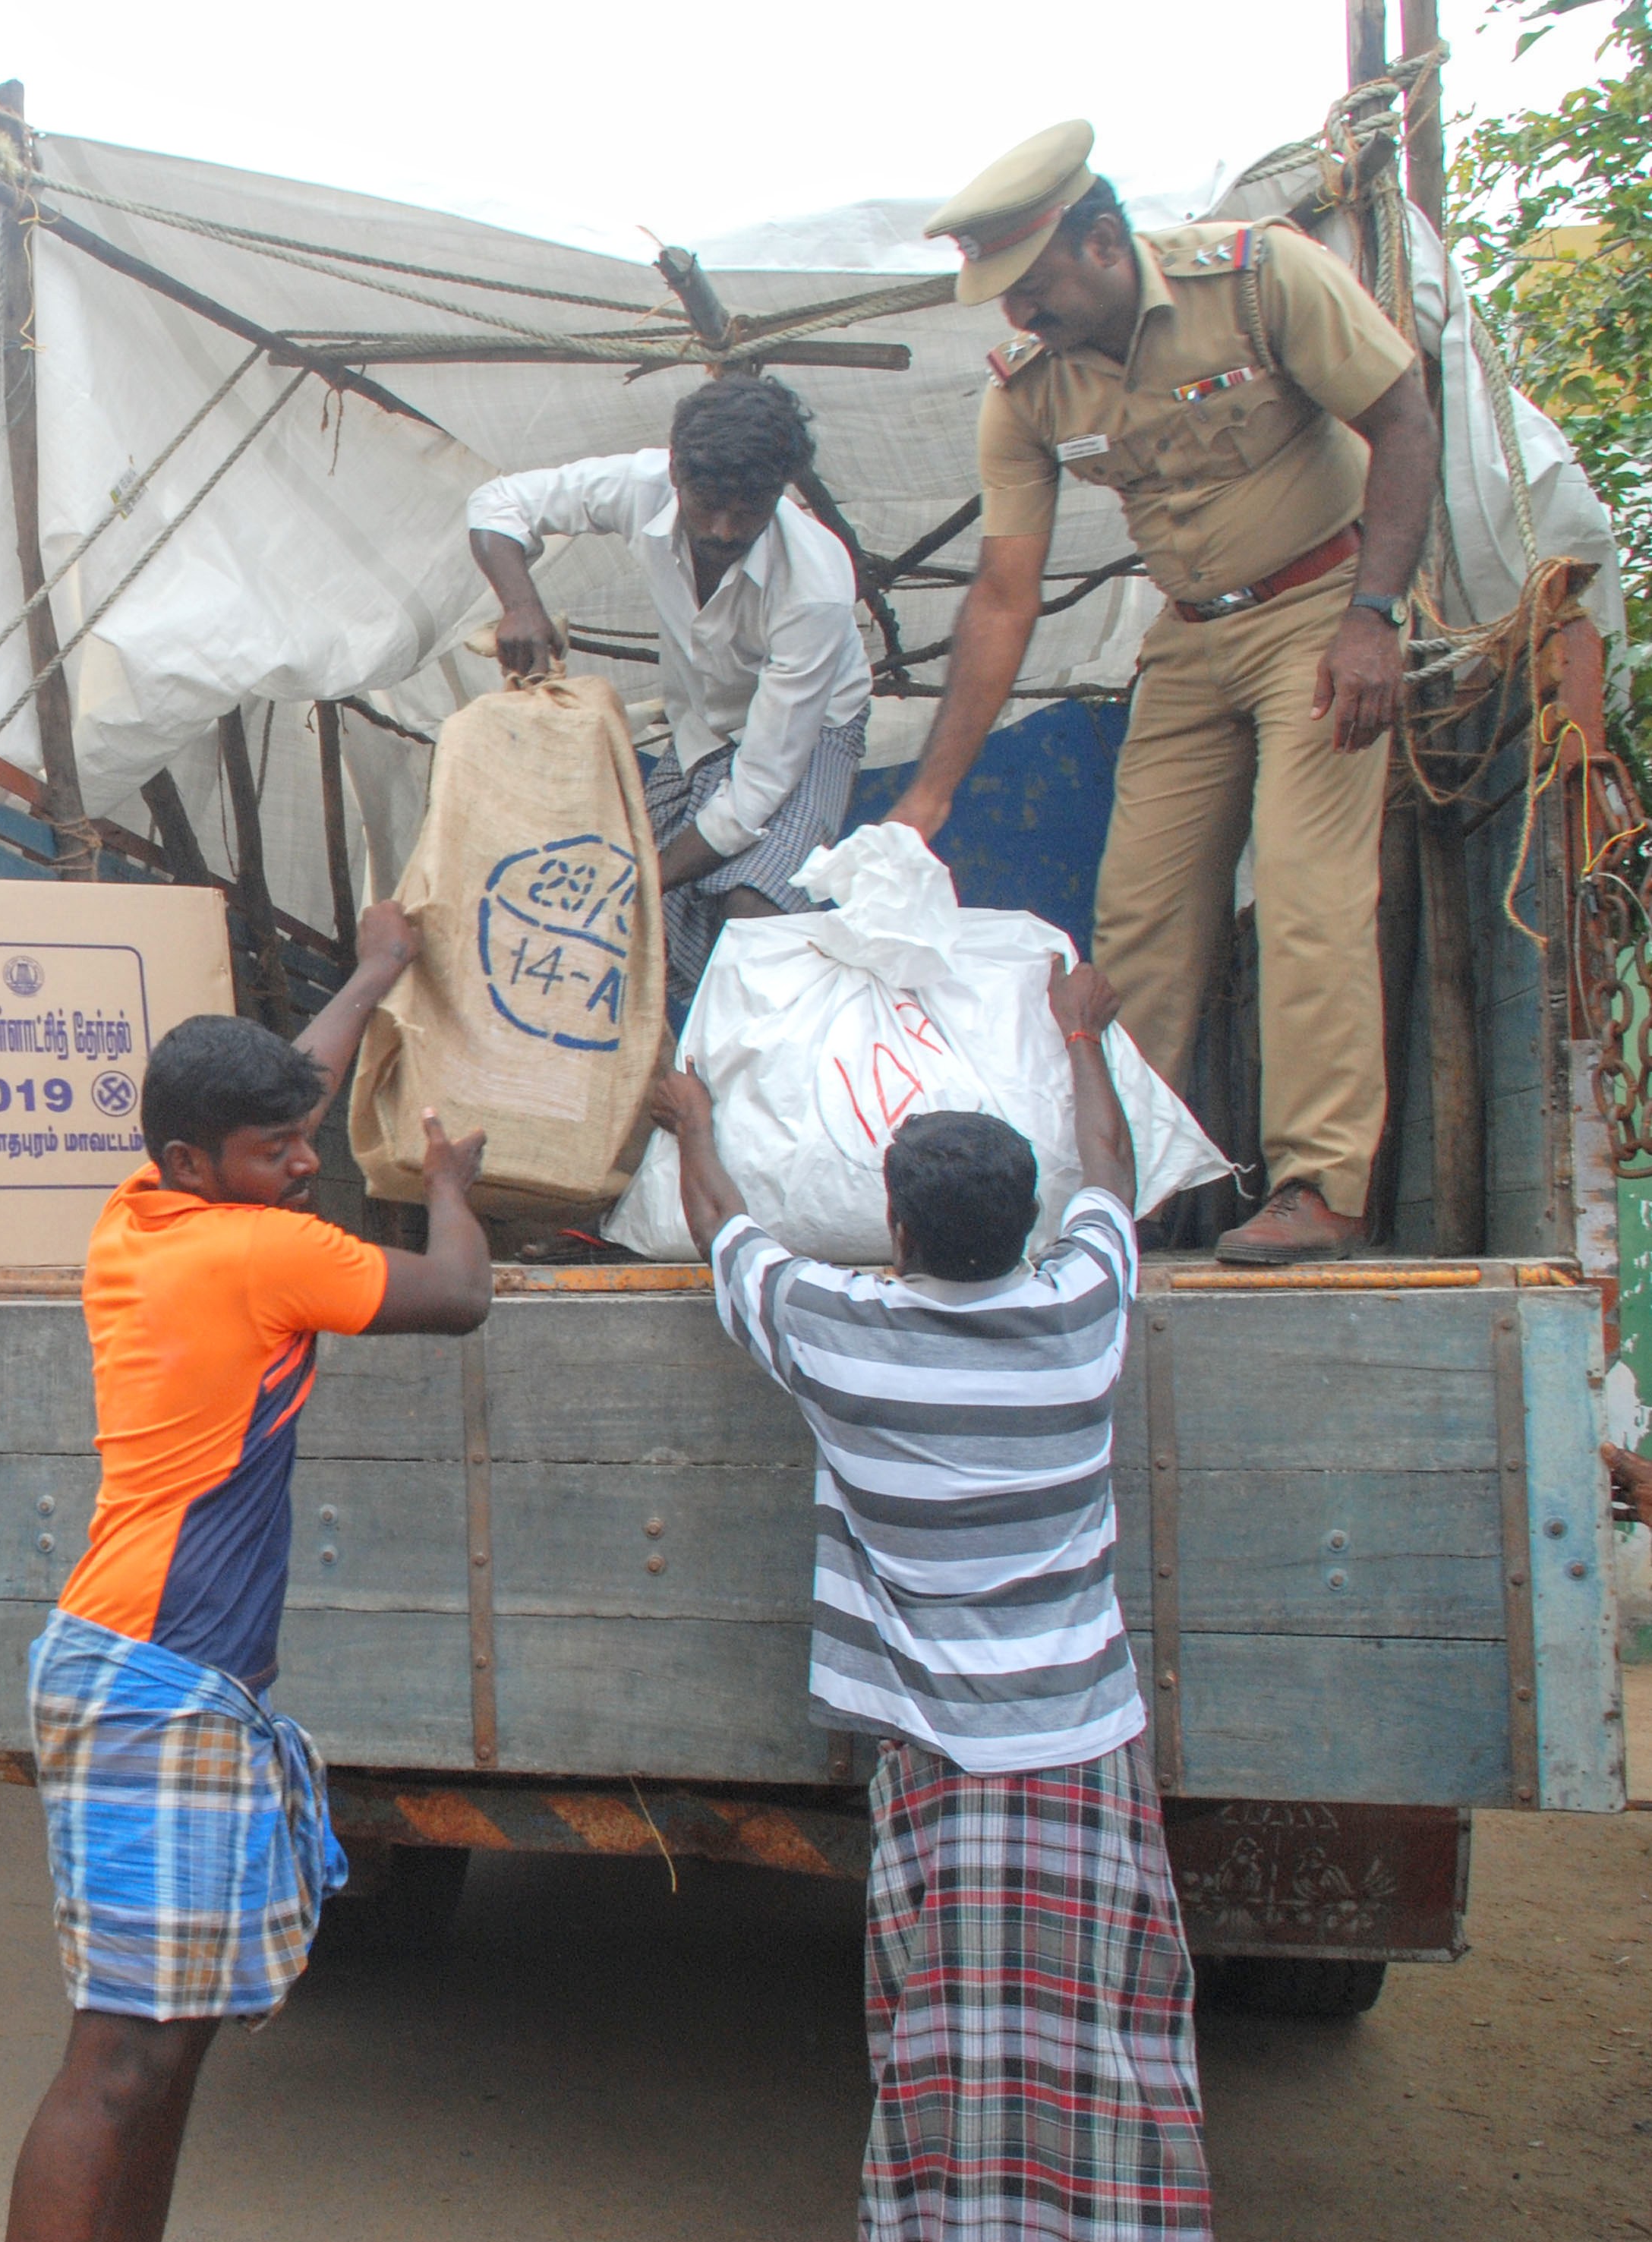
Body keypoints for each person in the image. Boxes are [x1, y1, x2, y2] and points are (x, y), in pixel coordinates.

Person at [647, 957, 1212, 2239]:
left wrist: (691, 1116)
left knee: (947, 2037)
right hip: (1089, 1759)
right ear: (1033, 1223)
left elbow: (725, 1229)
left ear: (894, 1229)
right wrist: (1080, 1034)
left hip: (946, 1768)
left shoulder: (842, 1332)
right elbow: (1114, 1177)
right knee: (1108, 2029)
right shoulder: (1084, 1315)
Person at [4, 900, 496, 2242]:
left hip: (168, 1675)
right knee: (121, 2058)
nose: (299, 1162)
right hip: (154, 1682)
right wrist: (451, 1186)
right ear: (191, 1156)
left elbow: (299, 1083)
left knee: (177, 2045)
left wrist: (380, 965)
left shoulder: (144, 1211)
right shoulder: (259, 1250)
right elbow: (459, 1295)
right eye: (272, 1150)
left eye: (300, 1140)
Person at [884, 120, 1438, 1266]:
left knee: (1304, 892)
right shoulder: (1028, 394)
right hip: (1188, 640)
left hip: (1321, 612)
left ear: (1099, 241)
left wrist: (1374, 617)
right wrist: (929, 796)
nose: (1020, 320)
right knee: (1135, 926)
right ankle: (1113, 1188)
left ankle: (1321, 1188)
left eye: (1032, 291)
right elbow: (1002, 594)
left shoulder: (1257, 279)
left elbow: (1402, 420)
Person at [470, 374, 874, 1006]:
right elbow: (499, 502)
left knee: (754, 908)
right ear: (678, 471)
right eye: (707, 500)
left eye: (749, 509)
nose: (722, 528)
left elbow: (759, 789)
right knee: (632, 925)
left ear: (780, 493)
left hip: (812, 731)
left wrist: (644, 879)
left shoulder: (814, 586)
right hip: (701, 729)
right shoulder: (642, 484)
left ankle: (751, 1082)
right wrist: (520, 605)